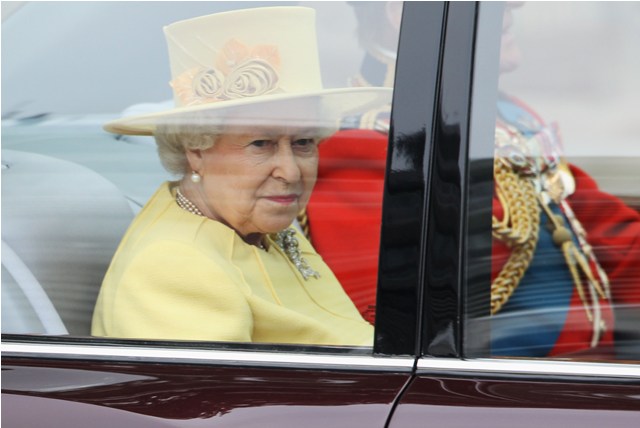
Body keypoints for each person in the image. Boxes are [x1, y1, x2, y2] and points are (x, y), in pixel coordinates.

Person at [306, 2, 640, 357]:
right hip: (517, 379)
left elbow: (602, 226)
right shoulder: (363, 144)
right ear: (398, 12)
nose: (514, 5)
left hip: (588, 359)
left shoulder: (507, 113)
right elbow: (422, 319)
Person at [91, 7, 392, 346]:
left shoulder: (257, 226)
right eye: (260, 144)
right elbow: (215, 384)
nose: (291, 171)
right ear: (196, 149)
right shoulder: (176, 264)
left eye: (304, 142)